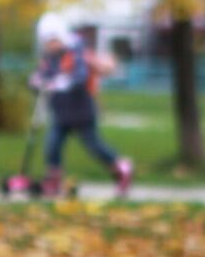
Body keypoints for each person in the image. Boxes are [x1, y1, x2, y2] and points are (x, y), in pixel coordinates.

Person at [31, 12, 133, 198]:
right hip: (61, 112)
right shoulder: (49, 57)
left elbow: (80, 77)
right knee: (52, 145)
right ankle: (53, 181)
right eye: (46, 42)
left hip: (81, 111)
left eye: (52, 40)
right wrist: (37, 81)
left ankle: (122, 169)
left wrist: (61, 82)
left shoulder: (77, 52)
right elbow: (42, 75)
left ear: (61, 37)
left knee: (94, 145)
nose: (50, 46)